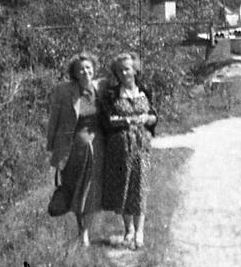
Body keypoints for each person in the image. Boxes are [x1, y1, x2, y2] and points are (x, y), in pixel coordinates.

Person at [45, 51, 105, 246]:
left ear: (94, 69)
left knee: (93, 190)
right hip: (74, 150)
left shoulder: (102, 88)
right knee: (77, 189)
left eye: (88, 67)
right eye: (81, 69)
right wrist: (53, 149)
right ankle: (81, 229)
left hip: (98, 147)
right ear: (75, 73)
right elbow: (54, 119)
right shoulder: (64, 91)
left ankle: (86, 231)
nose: (86, 72)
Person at [99, 51, 157, 249]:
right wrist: (125, 121)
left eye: (127, 69)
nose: (124, 73)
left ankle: (140, 232)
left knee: (140, 186)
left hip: (141, 145)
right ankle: (128, 229)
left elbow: (154, 116)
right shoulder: (112, 94)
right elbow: (106, 120)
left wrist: (147, 119)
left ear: (135, 70)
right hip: (120, 147)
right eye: (120, 70)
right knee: (124, 186)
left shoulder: (145, 90)